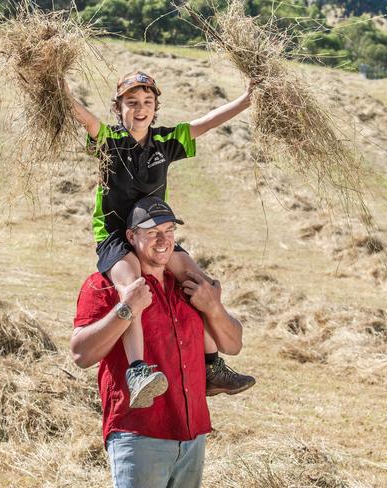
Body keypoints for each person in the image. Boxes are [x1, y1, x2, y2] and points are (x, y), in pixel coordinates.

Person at [66, 70, 255, 407]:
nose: (140, 109)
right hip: (115, 235)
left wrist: (247, 99)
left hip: (155, 232)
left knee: (199, 282)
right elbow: (84, 118)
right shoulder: (109, 140)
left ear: (155, 108)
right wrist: (55, 85)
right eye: (132, 102)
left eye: (147, 103)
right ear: (118, 107)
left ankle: (212, 366)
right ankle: (138, 371)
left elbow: (208, 122)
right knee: (132, 288)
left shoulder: (167, 142)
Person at [70, 197, 244, 487]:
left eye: (169, 231)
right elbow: (80, 355)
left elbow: (234, 344)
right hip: (139, 435)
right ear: (131, 236)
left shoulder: (189, 285)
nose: (163, 241)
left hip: (193, 436)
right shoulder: (105, 285)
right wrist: (126, 309)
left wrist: (213, 307)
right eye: (152, 233)